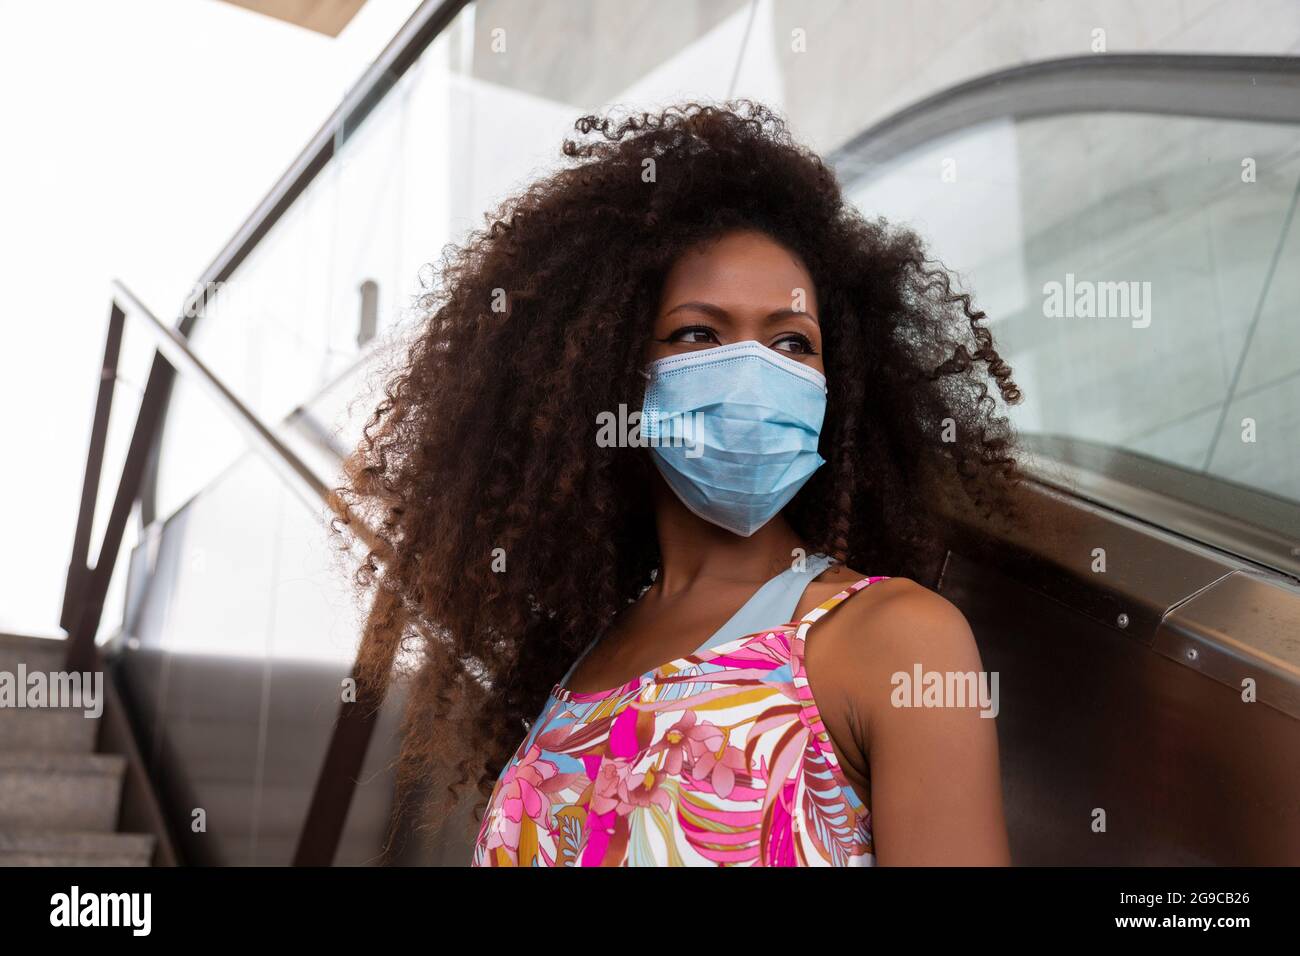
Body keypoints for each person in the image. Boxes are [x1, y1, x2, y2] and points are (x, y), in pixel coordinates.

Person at [336, 101, 1023, 866]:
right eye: (699, 332)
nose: (755, 372)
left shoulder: (898, 640)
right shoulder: (580, 667)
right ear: (613, 374)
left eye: (792, 341)